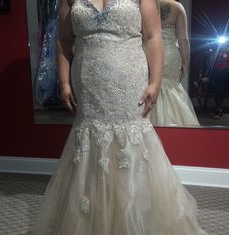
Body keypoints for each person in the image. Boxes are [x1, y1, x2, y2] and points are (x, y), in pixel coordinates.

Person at [33, 0, 207, 234]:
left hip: (129, 80)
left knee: (131, 137)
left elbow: (153, 37)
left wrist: (155, 82)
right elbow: (64, 42)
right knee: (90, 140)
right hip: (88, 82)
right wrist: (64, 82)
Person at [148, 0, 200, 127]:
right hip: (169, 54)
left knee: (147, 86)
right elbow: (183, 40)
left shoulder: (143, 4)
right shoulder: (177, 7)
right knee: (170, 89)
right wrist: (185, 62)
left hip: (148, 52)